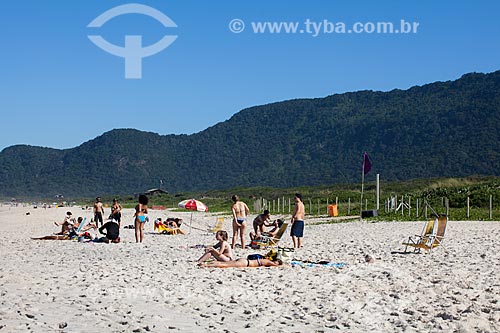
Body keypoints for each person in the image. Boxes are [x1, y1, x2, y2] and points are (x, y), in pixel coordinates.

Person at [199, 257, 283, 268]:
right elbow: (275, 265)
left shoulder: (265, 259)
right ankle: (206, 265)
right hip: (245, 264)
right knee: (224, 265)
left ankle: (208, 263)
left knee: (225, 263)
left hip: (244, 260)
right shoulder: (268, 262)